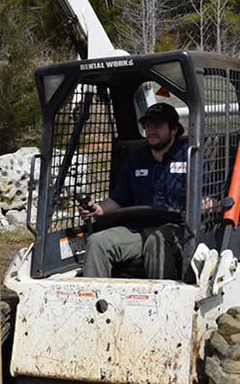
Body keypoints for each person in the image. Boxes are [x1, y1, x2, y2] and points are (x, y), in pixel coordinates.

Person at [80, 102, 190, 280]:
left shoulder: (190, 157)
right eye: (147, 125)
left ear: (174, 129)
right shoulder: (136, 160)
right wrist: (98, 209)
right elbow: (118, 199)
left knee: (157, 240)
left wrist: (196, 210)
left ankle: (161, 304)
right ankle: (96, 303)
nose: (151, 130)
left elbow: (210, 198)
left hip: (178, 230)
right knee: (97, 242)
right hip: (138, 229)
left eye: (158, 125)